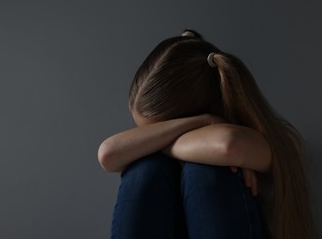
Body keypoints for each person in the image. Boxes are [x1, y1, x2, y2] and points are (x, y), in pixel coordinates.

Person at [98, 29, 316, 239]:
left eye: (156, 130)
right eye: (153, 133)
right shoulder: (203, 122)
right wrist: (203, 121)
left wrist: (156, 144)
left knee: (204, 169)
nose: (154, 136)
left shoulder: (262, 140)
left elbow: (228, 146)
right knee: (145, 168)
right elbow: (108, 153)